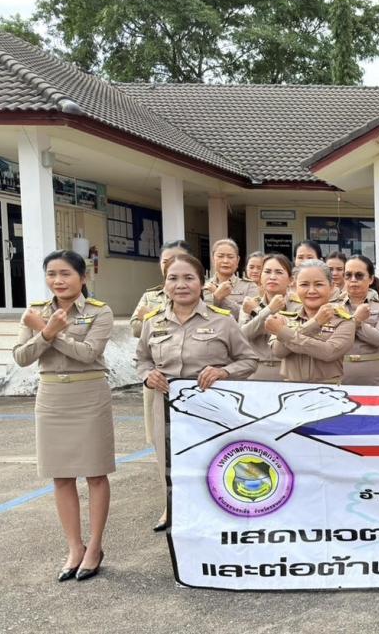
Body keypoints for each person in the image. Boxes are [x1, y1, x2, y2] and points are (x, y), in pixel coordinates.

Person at [136, 253, 258, 532]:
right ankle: (174, 513)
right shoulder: (152, 321)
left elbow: (249, 360)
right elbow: (141, 359)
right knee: (169, 465)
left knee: (213, 466)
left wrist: (223, 372)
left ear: (201, 282)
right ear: (165, 284)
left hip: (211, 410)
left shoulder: (222, 320)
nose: (181, 285)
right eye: (173, 278)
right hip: (166, 408)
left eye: (188, 278)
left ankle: (219, 520)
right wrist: (147, 375)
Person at [13, 251, 114, 582]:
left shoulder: (99, 311)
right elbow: (21, 358)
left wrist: (47, 331)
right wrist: (45, 331)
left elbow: (88, 354)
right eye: (52, 274)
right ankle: (74, 547)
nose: (58, 280)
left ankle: (95, 547)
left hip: (89, 395)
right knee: (61, 476)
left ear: (83, 278)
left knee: (96, 474)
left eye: (66, 273)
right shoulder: (35, 312)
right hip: (52, 396)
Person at [129, 240, 193, 448]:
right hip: (158, 376)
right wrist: (153, 321)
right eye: (166, 260)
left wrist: (153, 318)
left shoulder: (199, 292)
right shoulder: (150, 296)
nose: (170, 264)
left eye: (177, 259)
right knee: (160, 439)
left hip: (192, 377)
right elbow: (135, 328)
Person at [267, 260, 355, 383]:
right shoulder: (284, 317)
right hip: (291, 388)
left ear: (331, 287)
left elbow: (328, 352)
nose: (311, 291)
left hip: (327, 388)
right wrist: (314, 324)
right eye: (304, 285)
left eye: (318, 284)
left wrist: (284, 332)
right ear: (294, 287)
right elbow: (279, 351)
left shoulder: (344, 321)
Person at [239, 254, 300, 381]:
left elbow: (295, 339)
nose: (272, 277)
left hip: (289, 371)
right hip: (256, 371)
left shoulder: (299, 306)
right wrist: (268, 310)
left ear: (290, 280)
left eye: (279, 272)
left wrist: (257, 312)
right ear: (260, 277)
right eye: (267, 272)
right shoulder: (250, 303)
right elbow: (242, 336)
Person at [341, 255, 379, 386]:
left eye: (359, 275)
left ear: (370, 279)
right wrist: (356, 320)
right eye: (348, 275)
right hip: (340, 374)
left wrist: (357, 323)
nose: (353, 280)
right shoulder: (333, 306)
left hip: (374, 376)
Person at [204, 238, 259, 319]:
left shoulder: (249, 286)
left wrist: (221, 298)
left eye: (230, 257)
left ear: (238, 260)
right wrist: (215, 297)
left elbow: (251, 315)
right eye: (220, 256)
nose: (225, 261)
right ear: (213, 258)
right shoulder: (203, 286)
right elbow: (200, 315)